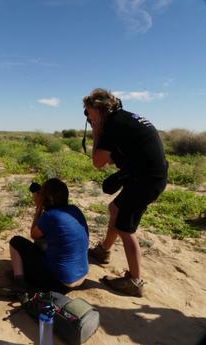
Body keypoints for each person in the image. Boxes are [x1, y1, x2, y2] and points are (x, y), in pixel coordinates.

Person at [84, 88, 168, 297]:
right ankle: (103, 251)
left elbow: (98, 162)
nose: (88, 118)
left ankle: (134, 281)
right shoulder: (123, 119)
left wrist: (96, 132)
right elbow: (114, 157)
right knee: (115, 208)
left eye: (89, 114)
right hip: (146, 176)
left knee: (126, 228)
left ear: (100, 110)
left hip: (145, 180)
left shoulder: (112, 125)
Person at [8, 178, 89, 295]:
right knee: (44, 244)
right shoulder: (74, 210)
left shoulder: (50, 216)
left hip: (60, 284)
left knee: (16, 242)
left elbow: (34, 235)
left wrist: (38, 210)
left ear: (46, 198)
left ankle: (19, 283)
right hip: (82, 276)